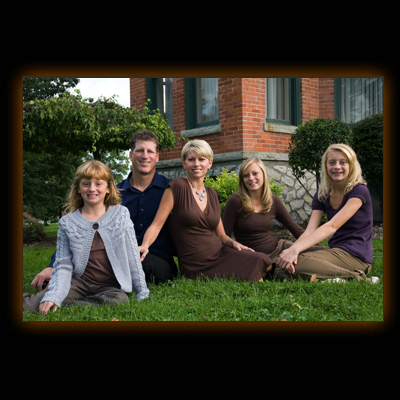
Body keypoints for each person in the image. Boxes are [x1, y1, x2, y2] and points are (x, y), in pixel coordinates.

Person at [30, 130, 177, 289]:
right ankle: (67, 279)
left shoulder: (171, 190)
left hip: (157, 258)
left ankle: (84, 282)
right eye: (140, 150)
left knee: (145, 266)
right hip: (117, 257)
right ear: (131, 155)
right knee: (94, 263)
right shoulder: (113, 194)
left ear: (157, 156)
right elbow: (80, 226)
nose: (145, 156)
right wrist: (52, 265)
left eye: (150, 151)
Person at [23, 160, 149, 315]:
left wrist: (142, 291)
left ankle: (70, 306)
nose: (92, 189)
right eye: (86, 184)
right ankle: (58, 301)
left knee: (118, 300)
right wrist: (54, 295)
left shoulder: (121, 215)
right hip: (77, 282)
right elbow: (63, 265)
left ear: (108, 188)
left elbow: (133, 257)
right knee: (38, 303)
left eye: (98, 184)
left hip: (109, 286)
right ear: (78, 189)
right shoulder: (67, 222)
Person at [138, 140, 274, 282]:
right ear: (184, 163)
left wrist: (233, 243)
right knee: (255, 273)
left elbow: (221, 235)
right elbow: (156, 225)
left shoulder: (212, 194)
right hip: (196, 263)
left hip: (220, 252)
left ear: (209, 163)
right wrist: (145, 245)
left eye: (201, 159)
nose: (196, 164)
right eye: (191, 159)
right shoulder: (176, 187)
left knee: (264, 261)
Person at [276, 143, 375, 282]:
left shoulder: (359, 191)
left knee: (297, 263)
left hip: (356, 256)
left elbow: (332, 226)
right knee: (282, 263)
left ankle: (358, 277)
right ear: (326, 166)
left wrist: (295, 250)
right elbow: (310, 230)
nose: (337, 167)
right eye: (332, 162)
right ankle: (332, 278)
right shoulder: (322, 194)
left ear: (351, 165)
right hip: (335, 251)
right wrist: (292, 250)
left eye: (343, 162)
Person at [223, 158, 325, 273]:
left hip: (280, 246)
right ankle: (338, 277)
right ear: (242, 180)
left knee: (323, 253)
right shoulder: (235, 201)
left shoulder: (272, 200)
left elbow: (295, 228)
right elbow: (224, 237)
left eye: (255, 173)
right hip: (261, 257)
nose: (251, 178)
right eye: (246, 175)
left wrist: (316, 245)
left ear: (263, 175)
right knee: (299, 267)